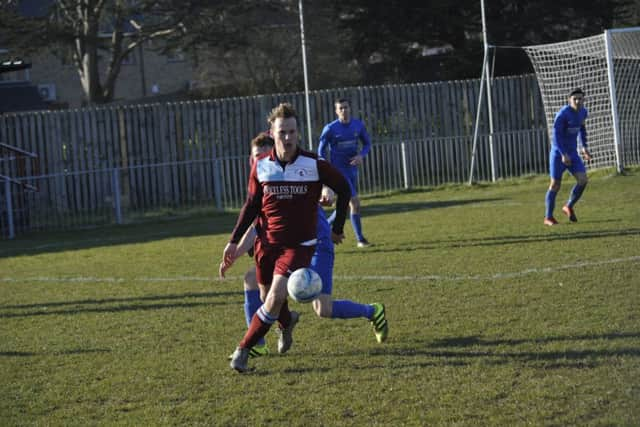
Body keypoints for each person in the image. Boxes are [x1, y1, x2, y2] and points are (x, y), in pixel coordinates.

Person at [220, 102, 352, 373]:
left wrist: (338, 226)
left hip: (299, 245)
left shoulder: (313, 163)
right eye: (282, 132)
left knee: (275, 296)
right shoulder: (260, 166)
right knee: (269, 295)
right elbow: (252, 205)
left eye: (292, 132)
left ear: (298, 133)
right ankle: (286, 322)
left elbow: (344, 188)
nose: (288, 138)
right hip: (266, 244)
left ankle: (242, 350)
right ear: (272, 132)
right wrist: (233, 241)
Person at [318, 98, 372, 247]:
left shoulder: (358, 125)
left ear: (350, 108)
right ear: (336, 111)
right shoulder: (330, 129)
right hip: (339, 172)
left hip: (353, 170)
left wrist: (361, 155)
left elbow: (367, 143)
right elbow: (320, 150)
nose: (344, 110)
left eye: (346, 107)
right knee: (354, 203)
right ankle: (360, 240)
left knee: (346, 205)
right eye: (340, 108)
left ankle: (323, 228)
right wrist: (325, 167)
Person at [544, 88, 593, 226]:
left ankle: (568, 206)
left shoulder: (583, 112)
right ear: (569, 100)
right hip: (558, 154)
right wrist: (563, 154)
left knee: (583, 180)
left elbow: (582, 129)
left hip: (572, 153)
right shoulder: (562, 114)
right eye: (575, 98)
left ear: (584, 99)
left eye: (580, 98)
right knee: (555, 185)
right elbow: (556, 137)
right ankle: (548, 217)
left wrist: (584, 147)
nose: (577, 101)